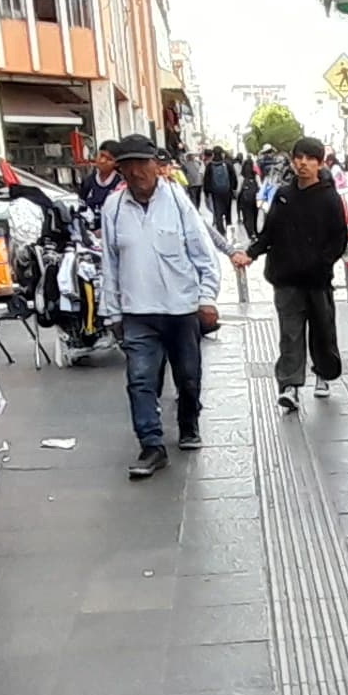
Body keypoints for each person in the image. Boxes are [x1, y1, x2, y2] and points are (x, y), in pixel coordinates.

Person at [100, 134, 220, 478]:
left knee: (188, 377)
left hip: (181, 308)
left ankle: (188, 422)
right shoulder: (113, 208)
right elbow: (109, 263)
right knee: (140, 380)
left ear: (157, 165)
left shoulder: (177, 201)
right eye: (128, 165)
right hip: (137, 312)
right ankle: (151, 445)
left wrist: (207, 298)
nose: (136, 172)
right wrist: (112, 311)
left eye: (142, 163)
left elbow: (203, 253)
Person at [233, 137, 348, 413]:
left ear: (320, 163)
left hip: (317, 280)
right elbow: (269, 233)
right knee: (290, 334)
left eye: (310, 158)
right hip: (286, 278)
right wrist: (251, 253)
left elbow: (339, 240)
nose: (303, 163)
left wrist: (322, 263)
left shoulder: (330, 198)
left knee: (322, 331)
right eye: (299, 157)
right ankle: (290, 386)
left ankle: (323, 374)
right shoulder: (284, 195)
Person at [79, 139, 124, 211]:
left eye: (109, 159)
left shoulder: (121, 184)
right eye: (101, 155)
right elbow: (82, 206)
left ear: (117, 163)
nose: (102, 161)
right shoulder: (88, 182)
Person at [204, 146, 237, 236]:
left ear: (213, 154)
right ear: (222, 153)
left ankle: (221, 233)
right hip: (227, 192)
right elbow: (233, 177)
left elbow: (206, 180)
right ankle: (230, 234)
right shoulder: (228, 164)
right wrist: (233, 189)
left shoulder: (210, 165)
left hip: (215, 193)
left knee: (218, 213)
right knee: (228, 213)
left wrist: (207, 193)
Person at [236, 154, 262, 240]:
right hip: (255, 198)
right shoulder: (256, 176)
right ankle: (255, 231)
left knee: (247, 216)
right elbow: (260, 186)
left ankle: (250, 233)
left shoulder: (242, 177)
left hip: (245, 199)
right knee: (255, 215)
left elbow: (238, 190)